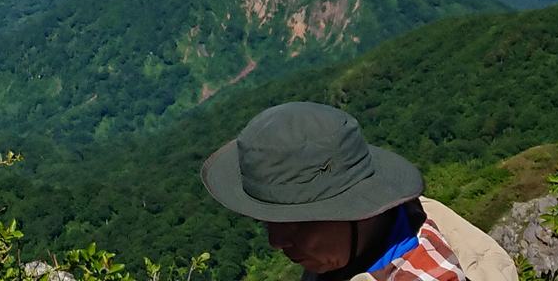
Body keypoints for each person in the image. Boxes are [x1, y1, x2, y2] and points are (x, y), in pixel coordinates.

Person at [201, 101, 516, 281]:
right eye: (269, 220)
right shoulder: (368, 240)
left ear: (354, 209)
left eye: (297, 222)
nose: (276, 241)